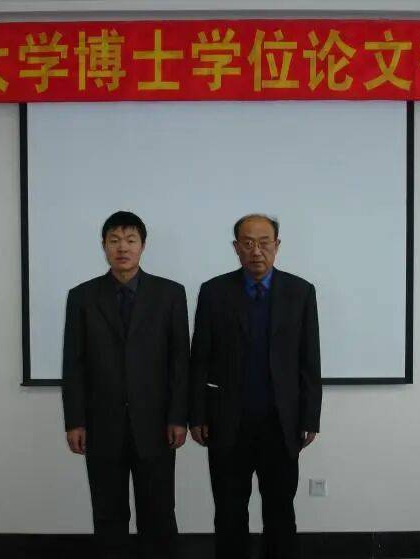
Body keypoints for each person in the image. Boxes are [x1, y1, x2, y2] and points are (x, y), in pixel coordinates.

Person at [189, 213, 322, 559]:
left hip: (281, 423)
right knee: (229, 511)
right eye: (248, 243)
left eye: (264, 243)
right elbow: (199, 358)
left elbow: (310, 360)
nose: (256, 251)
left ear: (277, 245)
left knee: (280, 511)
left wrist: (310, 417)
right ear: (236, 247)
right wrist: (197, 414)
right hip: (227, 422)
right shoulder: (214, 292)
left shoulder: (300, 292)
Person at [62, 211, 189, 559]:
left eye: (130, 240)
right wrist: (75, 421)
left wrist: (178, 417)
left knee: (158, 513)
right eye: (114, 241)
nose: (123, 248)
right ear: (103, 246)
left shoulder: (170, 294)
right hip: (102, 425)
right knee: (108, 514)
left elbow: (180, 361)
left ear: (143, 246)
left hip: (156, 425)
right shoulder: (82, 297)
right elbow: (73, 365)